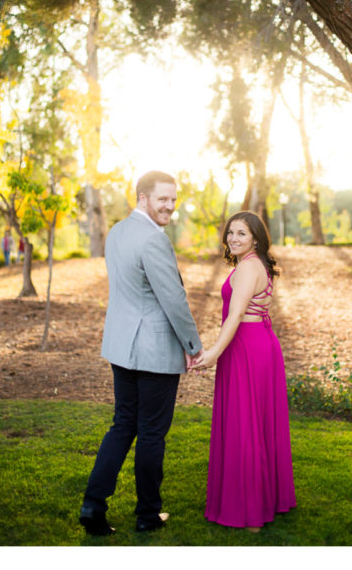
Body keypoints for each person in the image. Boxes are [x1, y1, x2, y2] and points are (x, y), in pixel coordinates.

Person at [79, 171, 204, 536]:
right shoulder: (153, 240)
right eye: (162, 198)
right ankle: (148, 513)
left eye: (173, 199)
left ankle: (93, 504)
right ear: (143, 198)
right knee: (151, 434)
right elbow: (173, 300)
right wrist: (193, 346)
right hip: (153, 350)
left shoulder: (116, 232)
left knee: (123, 426)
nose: (169, 205)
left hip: (122, 347)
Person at [194, 211, 296, 530]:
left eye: (241, 233)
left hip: (246, 349)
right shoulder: (256, 264)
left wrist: (212, 353)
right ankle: (268, 499)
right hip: (260, 345)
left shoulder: (248, 267)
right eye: (230, 233)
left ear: (255, 237)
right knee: (259, 423)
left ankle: (251, 513)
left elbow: (235, 316)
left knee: (245, 425)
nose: (234, 238)